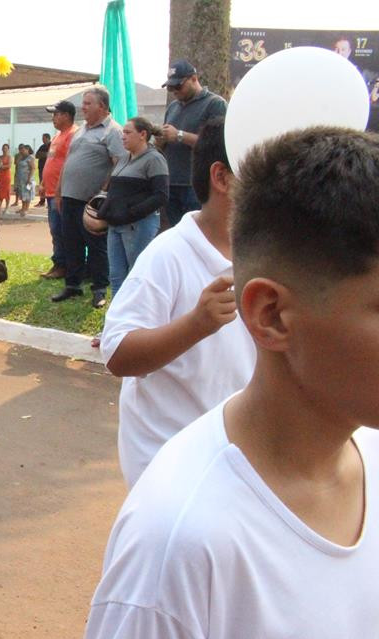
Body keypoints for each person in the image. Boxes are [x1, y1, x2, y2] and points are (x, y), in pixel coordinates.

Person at [83, 126, 379, 639]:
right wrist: (196, 323)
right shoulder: (178, 543)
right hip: (204, 475)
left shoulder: (368, 456)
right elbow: (118, 351)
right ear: (269, 314)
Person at [99, 117, 252, 488]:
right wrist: (197, 323)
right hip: (172, 468)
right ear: (223, 178)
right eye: (263, 171)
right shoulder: (168, 255)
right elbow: (118, 353)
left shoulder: (268, 256)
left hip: (238, 460)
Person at [52, 87, 124, 308]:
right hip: (70, 197)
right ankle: (72, 285)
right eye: (83, 103)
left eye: (88, 103)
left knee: (96, 245)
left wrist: (104, 190)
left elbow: (120, 163)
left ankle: (99, 289)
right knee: (70, 241)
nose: (83, 107)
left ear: (102, 106)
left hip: (92, 202)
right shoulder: (82, 129)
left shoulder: (113, 131)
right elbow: (69, 160)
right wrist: (59, 190)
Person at [99, 116, 169, 296]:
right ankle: (117, 320)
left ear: (143, 135)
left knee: (136, 276)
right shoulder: (123, 159)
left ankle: (136, 319)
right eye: (123, 132)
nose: (123, 136)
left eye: (128, 132)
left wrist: (131, 213)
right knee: (116, 276)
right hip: (116, 225)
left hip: (137, 226)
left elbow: (161, 195)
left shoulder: (154, 159)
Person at [158, 60, 228, 229]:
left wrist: (179, 136)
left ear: (194, 79)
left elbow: (216, 143)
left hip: (195, 184)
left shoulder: (214, 104)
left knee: (199, 232)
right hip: (172, 182)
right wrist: (161, 140)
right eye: (170, 88)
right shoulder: (173, 107)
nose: (175, 91)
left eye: (178, 86)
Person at [40, 100, 79, 280]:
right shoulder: (58, 136)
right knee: (55, 229)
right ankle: (59, 263)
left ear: (67, 115)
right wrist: (42, 182)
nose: (53, 118)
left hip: (61, 193)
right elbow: (51, 161)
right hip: (50, 192)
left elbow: (70, 163)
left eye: (56, 114)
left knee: (62, 230)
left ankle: (65, 266)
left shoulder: (73, 134)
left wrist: (59, 189)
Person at [14, 144, 36, 216]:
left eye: (23, 150)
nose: (22, 151)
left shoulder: (30, 158)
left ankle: (26, 208)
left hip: (27, 178)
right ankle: (23, 207)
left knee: (27, 194)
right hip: (21, 179)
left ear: (27, 150)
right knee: (22, 193)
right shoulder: (21, 157)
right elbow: (17, 165)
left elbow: (32, 168)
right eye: (21, 150)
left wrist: (29, 179)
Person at [35, 133, 51, 206]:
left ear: (48, 138)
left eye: (44, 138)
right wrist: (45, 154)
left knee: (48, 185)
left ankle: (49, 201)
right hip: (41, 168)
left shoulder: (52, 145)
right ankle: (42, 201)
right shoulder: (42, 146)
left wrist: (44, 154)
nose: (42, 140)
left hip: (49, 168)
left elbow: (52, 154)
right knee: (41, 185)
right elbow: (37, 155)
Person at [0, 144, 12, 212]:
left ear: (8, 149)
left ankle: (7, 207)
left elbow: (9, 166)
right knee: (0, 191)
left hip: (6, 176)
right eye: (3, 148)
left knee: (7, 191)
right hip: (0, 176)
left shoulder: (9, 157)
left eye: (6, 148)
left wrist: (1, 166)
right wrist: (0, 166)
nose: (4, 149)